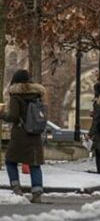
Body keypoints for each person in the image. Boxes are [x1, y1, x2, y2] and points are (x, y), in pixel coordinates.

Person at [2, 70, 46, 203]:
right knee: (34, 163)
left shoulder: (16, 96)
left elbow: (13, 117)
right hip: (35, 134)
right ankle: (37, 193)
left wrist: (2, 114)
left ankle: (16, 189)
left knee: (10, 161)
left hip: (20, 134)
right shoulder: (38, 95)